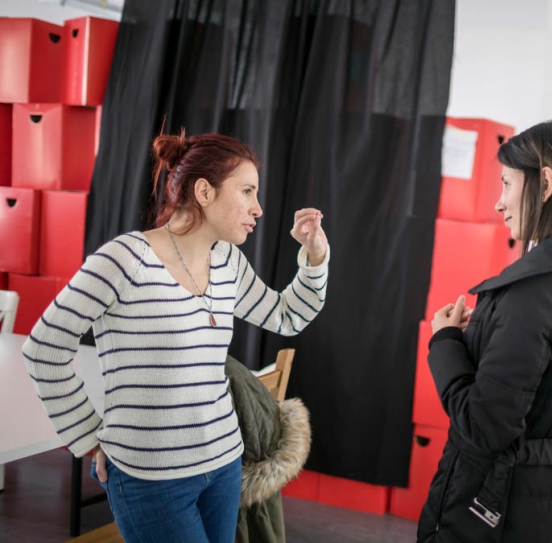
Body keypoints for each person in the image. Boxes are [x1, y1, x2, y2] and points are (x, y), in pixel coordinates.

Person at [22, 131, 330, 543]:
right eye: (247, 191)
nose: (257, 208)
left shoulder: (227, 261)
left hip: (223, 464)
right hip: (150, 477)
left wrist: (314, 257)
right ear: (204, 191)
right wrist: (88, 437)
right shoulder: (124, 259)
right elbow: (44, 350)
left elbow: (287, 316)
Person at [417, 120, 552, 543]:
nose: (498, 203)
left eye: (507, 184)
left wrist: (446, 341)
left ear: (545, 183)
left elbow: (484, 427)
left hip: (509, 511)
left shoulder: (533, 292)